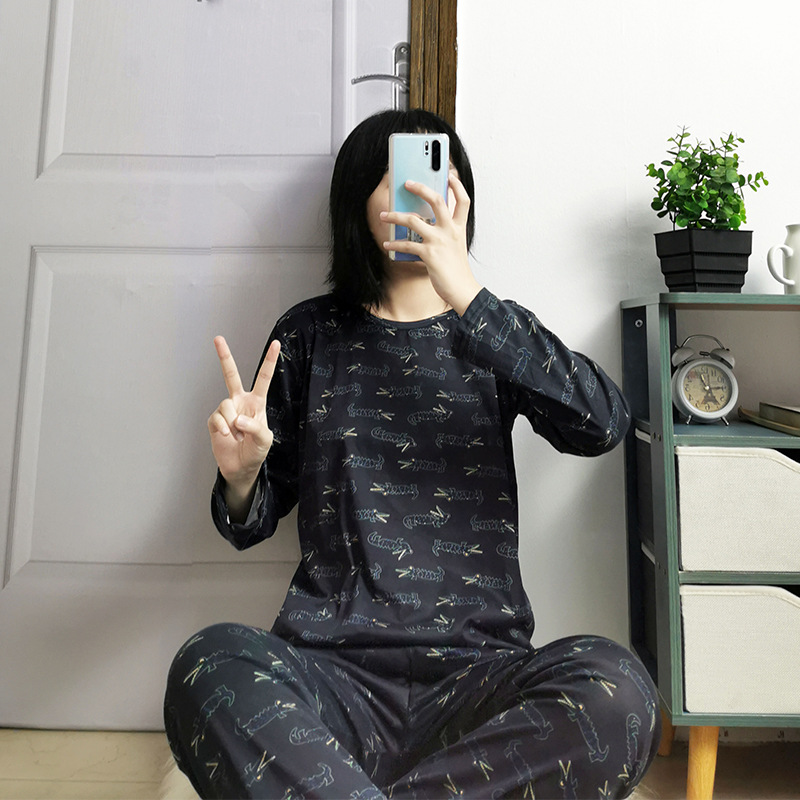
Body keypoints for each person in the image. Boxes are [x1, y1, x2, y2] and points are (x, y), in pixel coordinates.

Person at [164, 109, 659, 799]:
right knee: (208, 663)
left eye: (439, 182)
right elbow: (250, 523)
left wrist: (469, 296)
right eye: (402, 181)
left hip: (479, 678)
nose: (422, 198)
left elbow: (602, 425)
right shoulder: (309, 334)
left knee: (620, 689)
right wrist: (242, 478)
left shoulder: (495, 332)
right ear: (357, 203)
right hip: (331, 678)